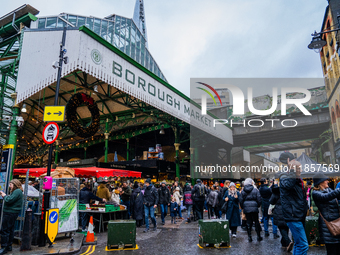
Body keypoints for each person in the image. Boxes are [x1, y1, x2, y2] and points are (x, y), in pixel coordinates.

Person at [279, 152, 308, 255]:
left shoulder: (295, 178)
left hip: (298, 215)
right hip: (293, 216)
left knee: (298, 244)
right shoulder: (284, 176)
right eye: (298, 169)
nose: (300, 170)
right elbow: (287, 185)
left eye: (300, 168)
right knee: (303, 245)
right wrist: (291, 169)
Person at [312, 172, 340, 255]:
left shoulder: (330, 190)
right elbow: (326, 197)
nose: (328, 181)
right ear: (320, 182)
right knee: (331, 251)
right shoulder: (316, 193)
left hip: (337, 224)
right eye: (325, 180)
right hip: (328, 226)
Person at [0, 179, 23, 254]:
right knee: (10, 229)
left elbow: (9, 200)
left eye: (10, 185)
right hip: (12, 213)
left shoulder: (17, 191)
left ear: (15, 184)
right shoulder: (17, 191)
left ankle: (4, 247)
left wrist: (4, 196)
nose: (10, 186)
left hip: (10, 212)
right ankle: (9, 246)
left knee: (5, 230)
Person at [269, 182, 292, 252]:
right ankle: (284, 244)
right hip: (287, 211)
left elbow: (271, 201)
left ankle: (288, 242)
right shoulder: (287, 191)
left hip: (278, 212)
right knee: (286, 227)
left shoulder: (276, 192)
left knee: (282, 228)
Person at [239, 178, 262, 242]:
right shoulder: (255, 190)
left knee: (249, 222)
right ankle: (258, 236)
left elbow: (241, 200)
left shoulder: (243, 191)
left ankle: (249, 237)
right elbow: (259, 199)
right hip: (254, 208)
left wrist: (243, 207)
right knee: (256, 221)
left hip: (246, 208)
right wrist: (257, 205)